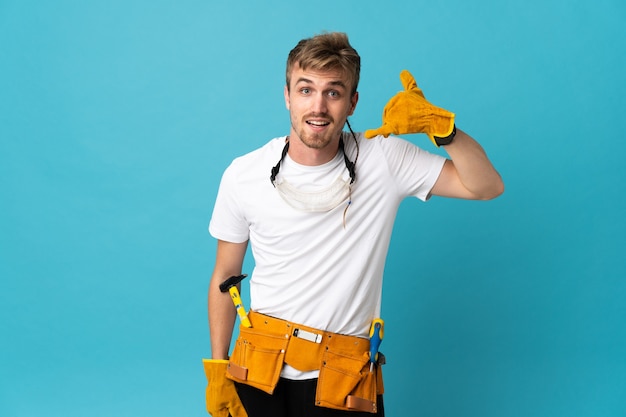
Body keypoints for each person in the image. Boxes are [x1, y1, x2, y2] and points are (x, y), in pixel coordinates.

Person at [203, 32, 504, 417]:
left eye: (333, 92)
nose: (318, 106)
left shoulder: (385, 159)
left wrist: (444, 131)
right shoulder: (243, 173)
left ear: (352, 103)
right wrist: (217, 368)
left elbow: (486, 186)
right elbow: (224, 275)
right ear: (287, 96)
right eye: (306, 89)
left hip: (343, 380)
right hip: (257, 371)